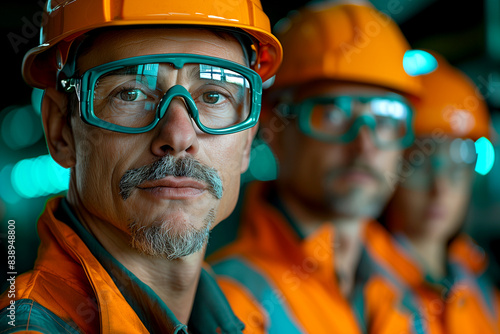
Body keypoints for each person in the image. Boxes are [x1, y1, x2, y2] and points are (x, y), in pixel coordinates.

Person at [0, 0, 282, 333]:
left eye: (212, 96)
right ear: (61, 131)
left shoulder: (247, 316)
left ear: (247, 139)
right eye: (131, 94)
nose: (179, 135)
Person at [208, 2, 422, 333]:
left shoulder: (408, 283)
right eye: (333, 114)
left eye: (385, 118)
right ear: (274, 130)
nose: (364, 146)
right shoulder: (230, 300)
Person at [354, 54, 500, 334]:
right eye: (419, 164)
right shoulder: (357, 285)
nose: (440, 189)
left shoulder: (481, 290)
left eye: (457, 166)